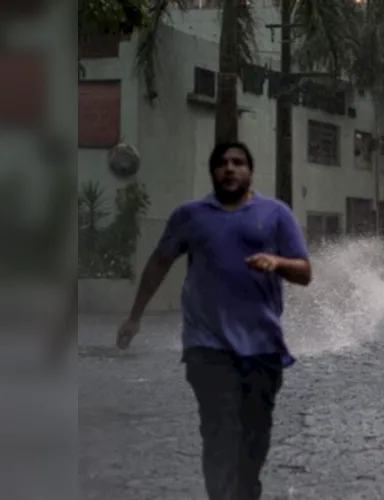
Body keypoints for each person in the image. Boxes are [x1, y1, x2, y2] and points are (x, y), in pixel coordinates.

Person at [116, 142, 312, 500]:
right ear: (213, 172)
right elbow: (160, 262)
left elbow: (304, 272)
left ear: (250, 171)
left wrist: (277, 262)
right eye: (222, 163)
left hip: (263, 347)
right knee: (220, 432)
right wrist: (134, 317)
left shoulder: (276, 214)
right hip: (206, 346)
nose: (230, 168)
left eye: (238, 163)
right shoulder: (190, 216)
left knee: (254, 438)